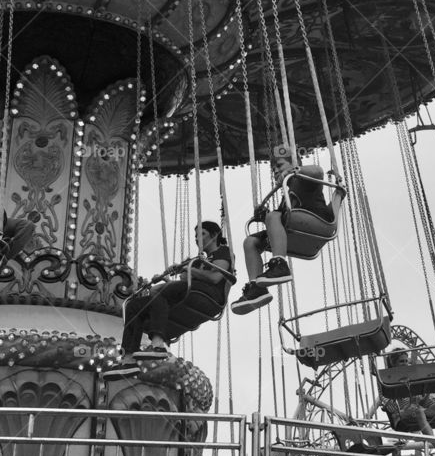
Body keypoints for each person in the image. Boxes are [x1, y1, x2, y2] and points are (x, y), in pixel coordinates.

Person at [104, 222, 234, 377]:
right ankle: (128, 358)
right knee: (134, 306)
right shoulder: (199, 260)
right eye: (195, 236)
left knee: (161, 292)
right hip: (191, 292)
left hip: (209, 296)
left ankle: (159, 343)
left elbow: (215, 277)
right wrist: (171, 277)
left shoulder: (223, 252)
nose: (197, 238)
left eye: (202, 234)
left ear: (214, 235)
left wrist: (190, 270)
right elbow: (184, 281)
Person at [232, 150, 344, 315]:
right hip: (296, 222)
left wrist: (295, 171)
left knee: (274, 216)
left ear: (294, 162)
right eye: (273, 169)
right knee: (250, 242)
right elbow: (280, 222)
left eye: (279, 165)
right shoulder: (287, 191)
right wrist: (264, 218)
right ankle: (256, 288)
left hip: (316, 220)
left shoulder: (304, 179)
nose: (275, 171)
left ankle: (280, 264)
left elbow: (318, 171)